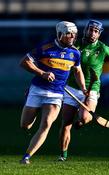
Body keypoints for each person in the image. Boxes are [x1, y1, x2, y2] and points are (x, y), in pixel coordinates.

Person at [59, 19, 109, 161]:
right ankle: (63, 155)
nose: (92, 33)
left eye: (96, 31)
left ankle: (80, 121)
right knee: (66, 124)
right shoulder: (75, 44)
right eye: (90, 30)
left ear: (99, 34)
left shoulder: (103, 49)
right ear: (85, 30)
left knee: (84, 117)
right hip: (72, 88)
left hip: (92, 89)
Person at [19, 21, 87, 164]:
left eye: (74, 34)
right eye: (69, 34)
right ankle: (34, 109)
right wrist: (42, 73)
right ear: (60, 34)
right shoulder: (45, 47)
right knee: (25, 125)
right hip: (37, 90)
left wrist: (83, 88)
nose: (73, 37)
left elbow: (78, 71)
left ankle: (26, 156)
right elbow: (24, 62)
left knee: (46, 125)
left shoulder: (75, 53)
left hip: (56, 95)